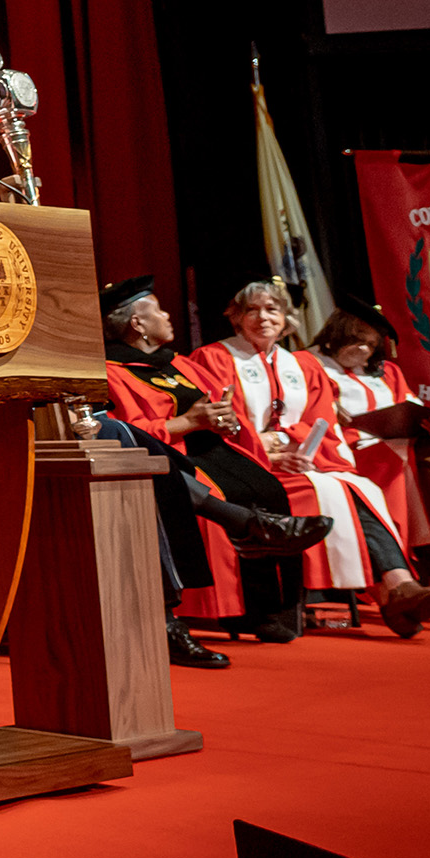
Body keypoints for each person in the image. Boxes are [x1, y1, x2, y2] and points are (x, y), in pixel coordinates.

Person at [180, 282, 430, 640]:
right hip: (242, 467)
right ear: (236, 317)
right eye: (252, 310)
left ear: (286, 318)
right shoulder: (212, 358)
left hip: (297, 464)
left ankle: (399, 590)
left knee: (357, 485)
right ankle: (397, 592)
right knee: (335, 490)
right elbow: (217, 420)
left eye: (272, 309)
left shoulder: (302, 365)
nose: (263, 317)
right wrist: (265, 449)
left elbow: (321, 421)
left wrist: (299, 450)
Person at [97, 276, 325, 659]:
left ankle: (271, 610)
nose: (168, 316)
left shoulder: (180, 363)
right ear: (137, 323)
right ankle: (237, 609)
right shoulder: (111, 371)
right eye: (159, 310)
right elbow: (124, 434)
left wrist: (227, 421)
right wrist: (188, 422)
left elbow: (224, 409)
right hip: (176, 453)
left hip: (216, 447)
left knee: (267, 488)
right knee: (222, 492)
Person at [312, 305, 430, 626]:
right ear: (336, 332)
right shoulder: (310, 364)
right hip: (347, 455)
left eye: (371, 344)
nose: (363, 350)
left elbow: (413, 406)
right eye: (357, 339)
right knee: (415, 460)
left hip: (398, 446)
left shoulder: (387, 371)